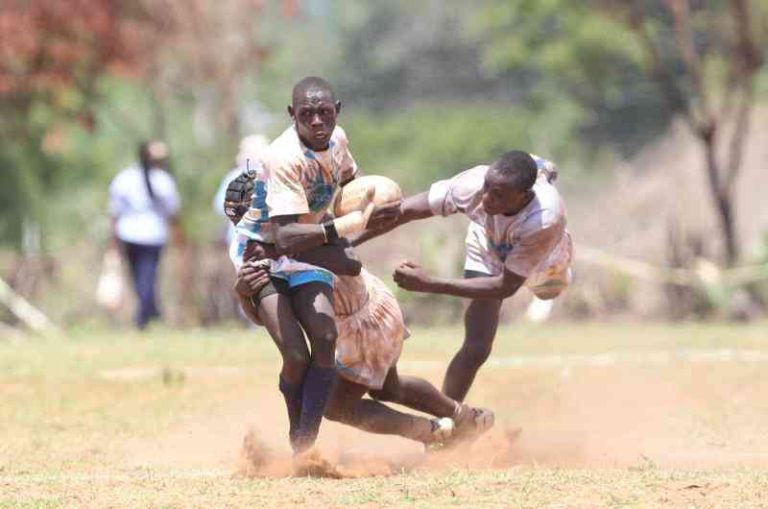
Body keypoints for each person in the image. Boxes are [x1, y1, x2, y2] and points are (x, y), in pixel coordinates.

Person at [227, 202, 493, 451]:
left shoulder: (308, 225)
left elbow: (350, 263)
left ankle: (433, 433)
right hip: (358, 319)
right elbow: (268, 318)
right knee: (390, 388)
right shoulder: (249, 248)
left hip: (365, 322)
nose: (251, 233)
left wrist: (280, 249)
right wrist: (243, 294)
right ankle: (465, 418)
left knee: (336, 406)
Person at [227, 77, 399, 455]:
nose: (318, 122)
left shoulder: (338, 141)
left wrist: (378, 204)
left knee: (324, 337)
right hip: (265, 250)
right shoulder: (284, 157)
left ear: (337, 109)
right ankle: (300, 443)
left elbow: (350, 186)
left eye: (324, 113)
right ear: (293, 116)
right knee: (295, 355)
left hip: (306, 243)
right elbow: (284, 238)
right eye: (307, 115)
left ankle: (304, 445)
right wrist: (348, 226)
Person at [353, 151, 573, 402]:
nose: (487, 198)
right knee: (477, 347)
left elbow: (505, 286)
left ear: (524, 196)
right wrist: (347, 241)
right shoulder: (473, 184)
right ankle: (450, 422)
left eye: (498, 194)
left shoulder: (545, 220)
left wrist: (430, 284)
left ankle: (541, 174)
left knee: (549, 291)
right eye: (487, 187)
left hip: (543, 256)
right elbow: (406, 211)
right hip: (488, 245)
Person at [108, 141, 182, 330]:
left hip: (130, 234)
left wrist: (114, 239)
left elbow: (114, 213)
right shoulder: (163, 180)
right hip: (152, 235)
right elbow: (173, 212)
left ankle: (146, 311)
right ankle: (147, 311)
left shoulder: (124, 178)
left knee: (140, 276)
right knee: (147, 275)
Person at [212, 135, 270, 247]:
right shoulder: (273, 176)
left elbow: (220, 206)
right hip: (264, 238)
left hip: (240, 238)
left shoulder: (233, 177)